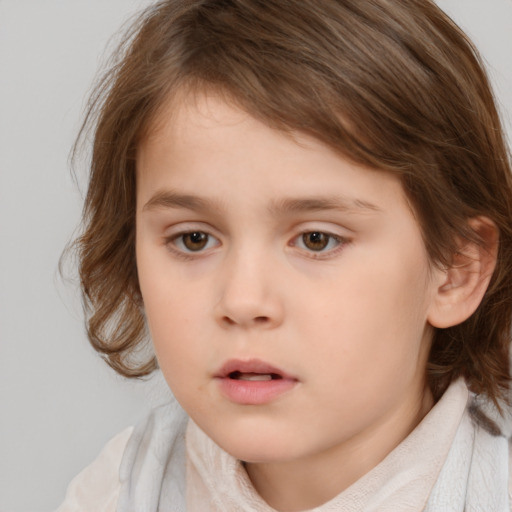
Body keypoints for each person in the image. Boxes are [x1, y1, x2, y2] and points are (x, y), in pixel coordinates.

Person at [56, 0, 512, 510]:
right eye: (194, 239)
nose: (244, 300)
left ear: (455, 270)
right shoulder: (117, 491)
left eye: (317, 239)